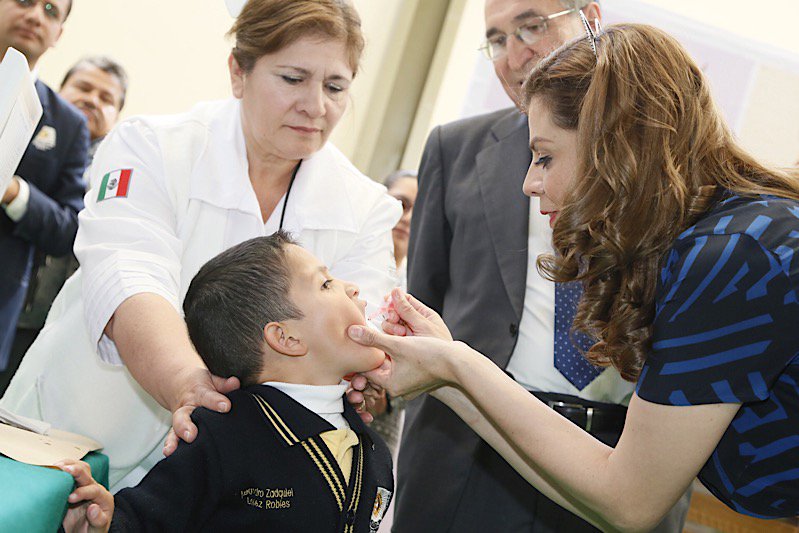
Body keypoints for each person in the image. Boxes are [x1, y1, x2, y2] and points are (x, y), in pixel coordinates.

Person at [349, 23, 799, 529]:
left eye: (545, 156)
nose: (529, 182)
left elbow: (627, 501)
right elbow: (599, 489)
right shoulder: (713, 245)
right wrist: (447, 375)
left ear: (616, 146)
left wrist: (456, 366)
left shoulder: (732, 257)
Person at [1, 0, 400, 491]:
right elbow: (130, 275)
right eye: (293, 79)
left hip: (221, 484)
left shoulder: (364, 207)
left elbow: (362, 332)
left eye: (336, 86)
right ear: (238, 71)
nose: (316, 106)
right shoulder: (150, 146)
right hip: (71, 435)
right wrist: (185, 382)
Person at [395, 0, 686, 530]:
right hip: (472, 452)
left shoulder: (674, 172)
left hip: (624, 455)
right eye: (497, 39)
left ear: (591, 17)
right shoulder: (454, 150)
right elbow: (424, 302)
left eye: (530, 26)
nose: (513, 55)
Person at [57, 232, 394, 532]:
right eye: (326, 284)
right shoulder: (226, 435)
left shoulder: (374, 451)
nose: (353, 287)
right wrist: (102, 525)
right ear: (286, 338)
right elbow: (145, 518)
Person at [0, 55, 128, 395]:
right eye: (83, 87)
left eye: (107, 99)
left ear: (118, 115)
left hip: (59, 324)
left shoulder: (120, 172)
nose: (92, 100)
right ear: (60, 90)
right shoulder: (20, 132)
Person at [0, 0, 88, 372]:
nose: (36, 15)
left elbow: (70, 226)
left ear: (59, 34)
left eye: (51, 10)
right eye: (25, 1)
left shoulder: (67, 124)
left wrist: (14, 191)